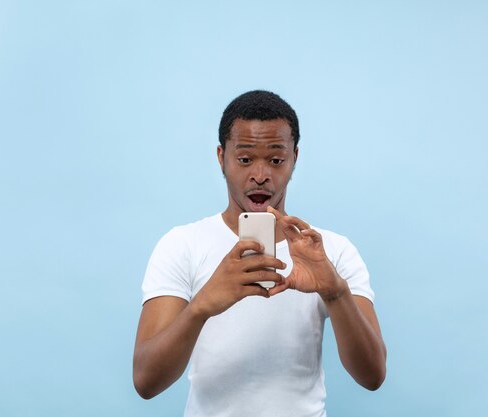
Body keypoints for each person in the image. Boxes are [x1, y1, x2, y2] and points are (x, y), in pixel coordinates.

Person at [133, 90, 386, 417]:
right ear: (221, 157)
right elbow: (145, 381)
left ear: (295, 158)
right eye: (245, 159)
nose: (261, 174)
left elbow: (373, 376)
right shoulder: (181, 244)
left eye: (276, 160)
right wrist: (202, 306)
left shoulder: (330, 251)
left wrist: (334, 292)